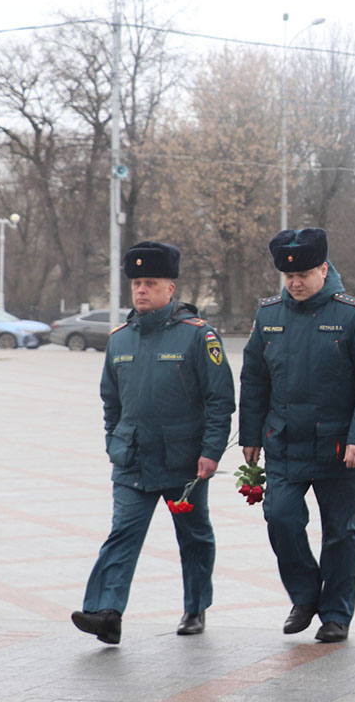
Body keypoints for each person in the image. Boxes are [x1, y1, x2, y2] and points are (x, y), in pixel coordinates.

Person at [72, 241, 235, 645]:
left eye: (150, 282)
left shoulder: (198, 337)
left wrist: (211, 451)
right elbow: (111, 400)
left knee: (194, 536)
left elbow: (220, 400)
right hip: (132, 459)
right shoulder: (120, 339)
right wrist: (114, 441)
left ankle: (195, 607)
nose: (141, 290)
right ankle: (106, 613)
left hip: (184, 463)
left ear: (170, 288)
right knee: (122, 534)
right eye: (137, 283)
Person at [238, 228, 355, 643]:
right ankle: (305, 596)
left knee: (341, 531)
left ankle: (336, 614)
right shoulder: (268, 316)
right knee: (280, 517)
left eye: (303, 273)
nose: (295, 282)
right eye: (288, 276)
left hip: (340, 448)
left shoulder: (354, 315)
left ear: (324, 268)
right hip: (284, 442)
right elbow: (253, 379)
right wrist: (249, 435)